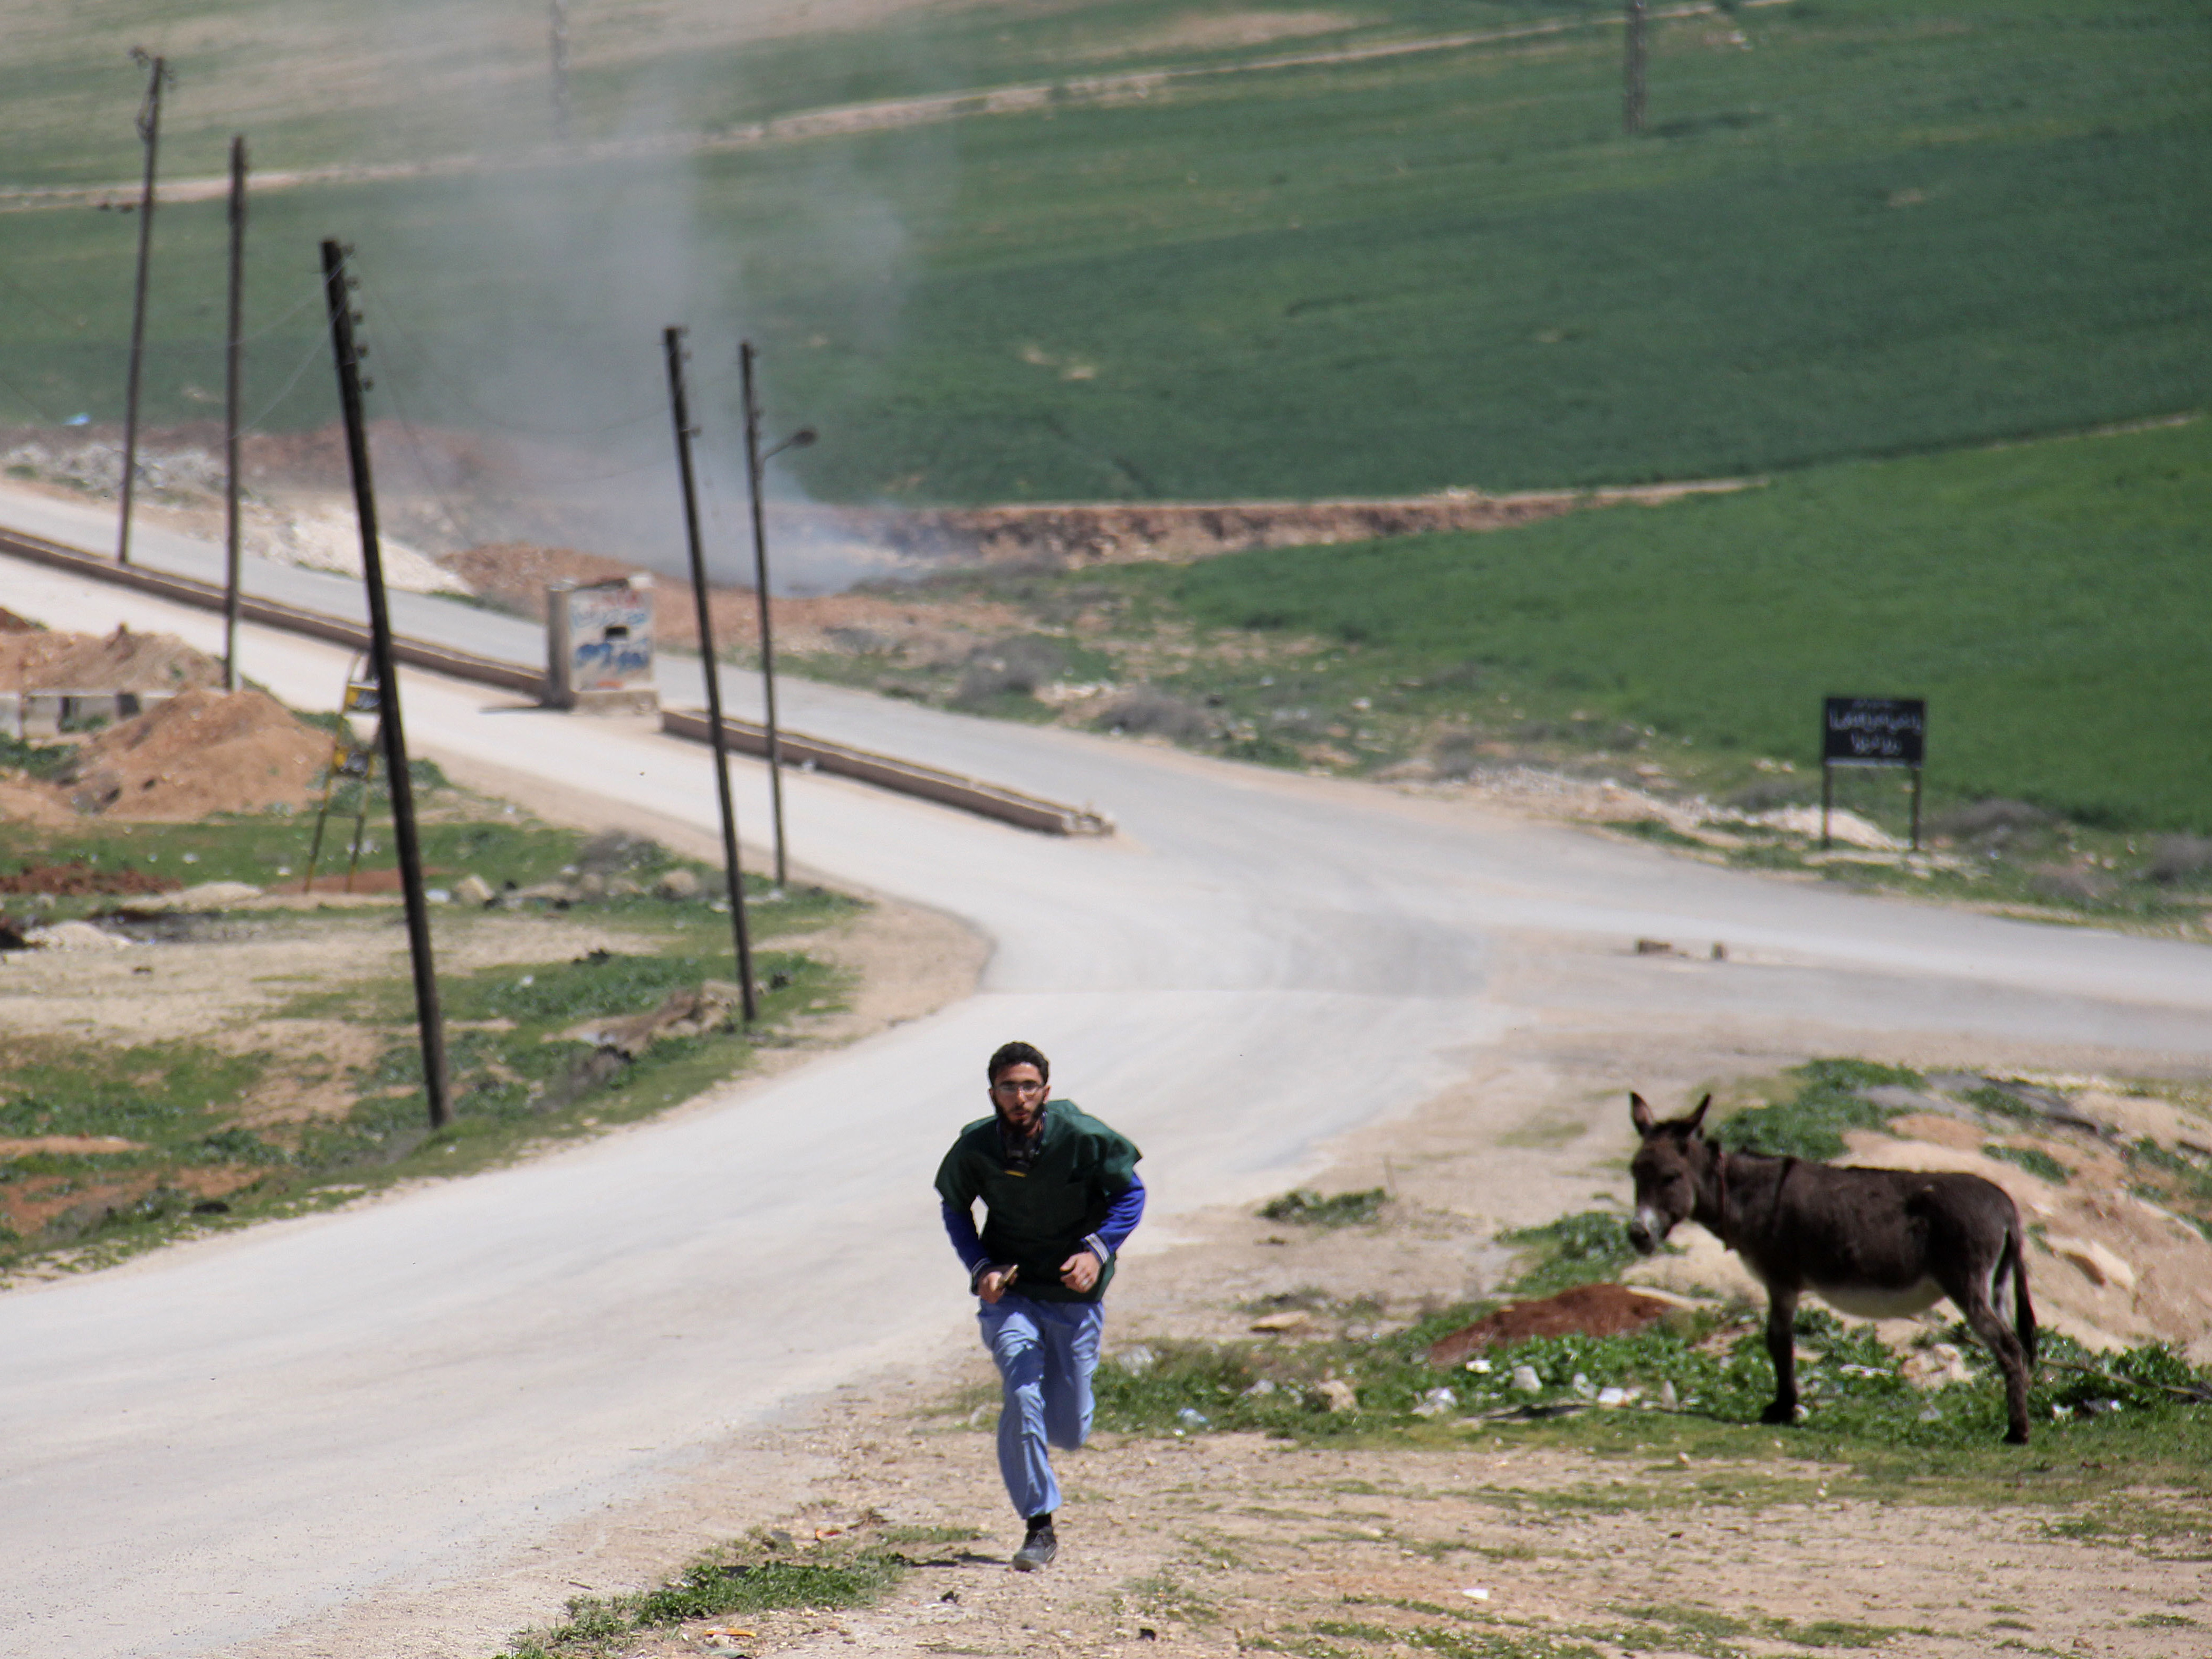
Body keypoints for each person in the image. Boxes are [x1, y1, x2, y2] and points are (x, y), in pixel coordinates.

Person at [936, 1040, 1145, 1571]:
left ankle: (1054, 1435)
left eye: (1029, 1087)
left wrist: (1097, 1251)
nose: (1019, 1097)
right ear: (992, 1094)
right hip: (1013, 1293)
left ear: (1045, 1093)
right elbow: (955, 1207)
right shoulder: (977, 1147)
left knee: (1069, 1426)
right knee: (1022, 1392)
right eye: (1009, 1087)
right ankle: (1039, 1525)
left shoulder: (1083, 1137)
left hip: (1073, 1296)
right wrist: (980, 1267)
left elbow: (1131, 1194)